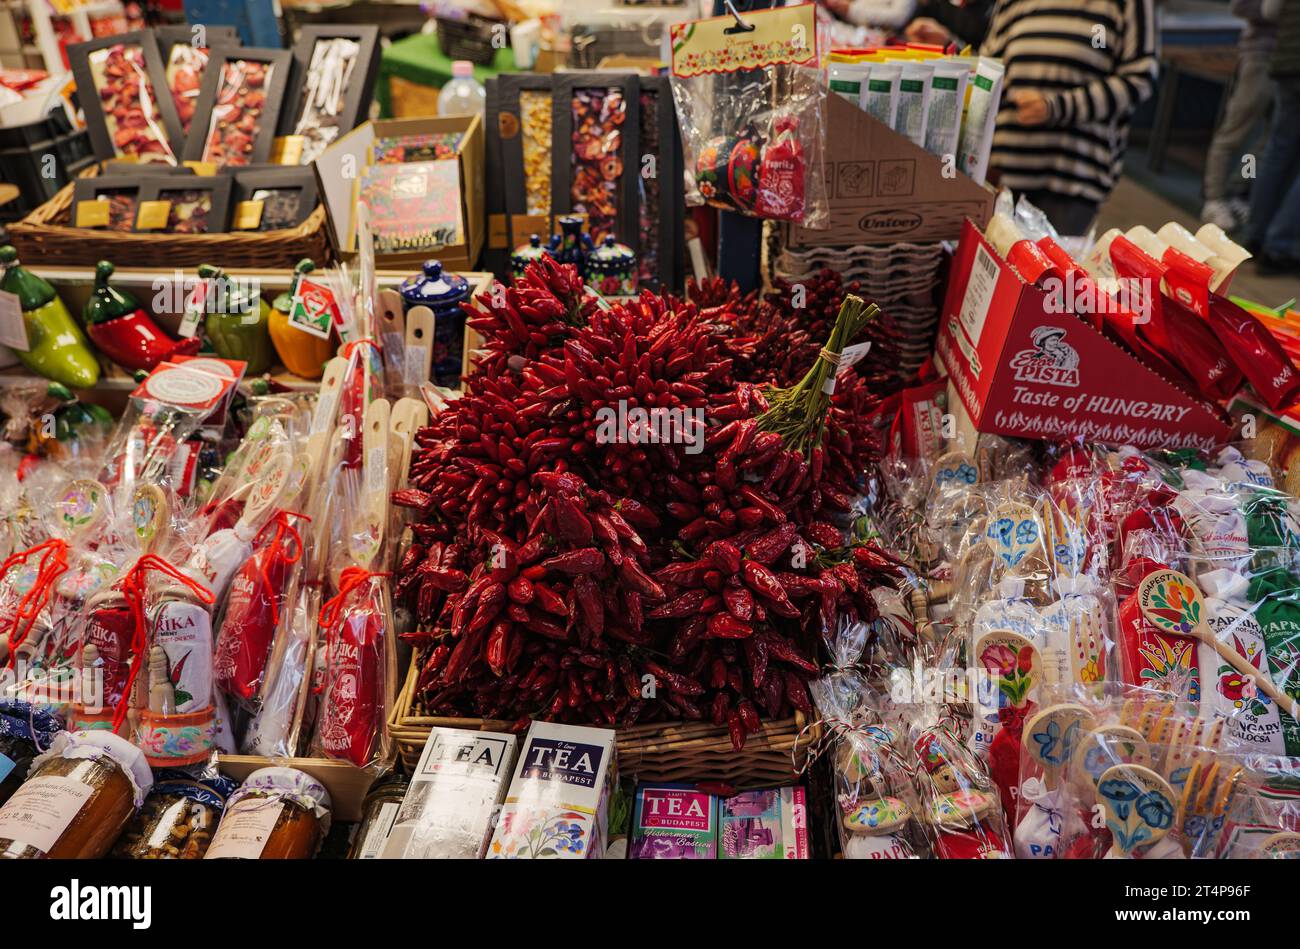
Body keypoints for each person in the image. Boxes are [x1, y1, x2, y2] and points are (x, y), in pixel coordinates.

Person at [979, 0, 1159, 236]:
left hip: (1073, 179)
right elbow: (991, 67)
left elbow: (1140, 77)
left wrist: (1058, 108)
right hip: (1006, 171)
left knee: (1052, 271)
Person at [1201, 0, 1277, 231]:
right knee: (1235, 131)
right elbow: (1240, 6)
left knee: (1266, 138)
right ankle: (1213, 199)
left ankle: (1238, 189)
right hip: (1260, 57)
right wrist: (1274, 10)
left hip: (1288, 63)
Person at [1246, 0, 1300, 273]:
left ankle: (1255, 236)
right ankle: (1280, 247)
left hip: (1286, 61)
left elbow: (1270, 10)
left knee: (1277, 152)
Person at [904, 0, 995, 48]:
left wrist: (948, 42)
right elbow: (910, 30)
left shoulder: (995, 10)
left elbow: (985, 58)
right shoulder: (937, 4)